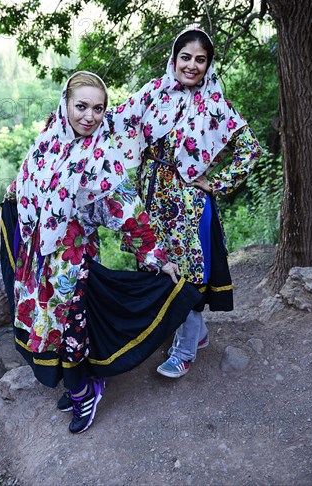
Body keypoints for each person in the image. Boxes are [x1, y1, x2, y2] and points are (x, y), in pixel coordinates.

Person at [0, 71, 208, 434]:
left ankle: (83, 392)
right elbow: (31, 179)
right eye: (81, 106)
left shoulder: (101, 158)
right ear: (65, 104)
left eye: (98, 109)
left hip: (71, 263)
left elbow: (128, 211)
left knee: (68, 331)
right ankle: (87, 384)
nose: (89, 116)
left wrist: (156, 256)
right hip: (38, 261)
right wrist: (16, 191)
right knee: (46, 328)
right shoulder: (48, 140)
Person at [108, 27, 262, 379]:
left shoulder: (215, 104)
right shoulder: (152, 93)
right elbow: (114, 119)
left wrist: (217, 183)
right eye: (186, 57)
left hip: (188, 204)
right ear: (174, 59)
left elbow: (250, 149)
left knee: (188, 272)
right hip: (152, 196)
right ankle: (196, 333)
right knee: (157, 266)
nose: (192, 65)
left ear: (208, 66)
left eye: (201, 60)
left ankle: (185, 350)